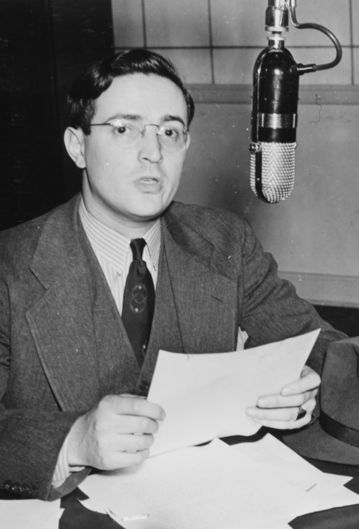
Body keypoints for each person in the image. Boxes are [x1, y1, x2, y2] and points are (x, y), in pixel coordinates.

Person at [0, 48, 346, 501]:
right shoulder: (11, 265)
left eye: (170, 131)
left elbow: (327, 349)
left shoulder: (224, 242)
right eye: (124, 129)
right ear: (77, 146)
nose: (153, 152)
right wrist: (74, 440)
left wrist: (308, 385)